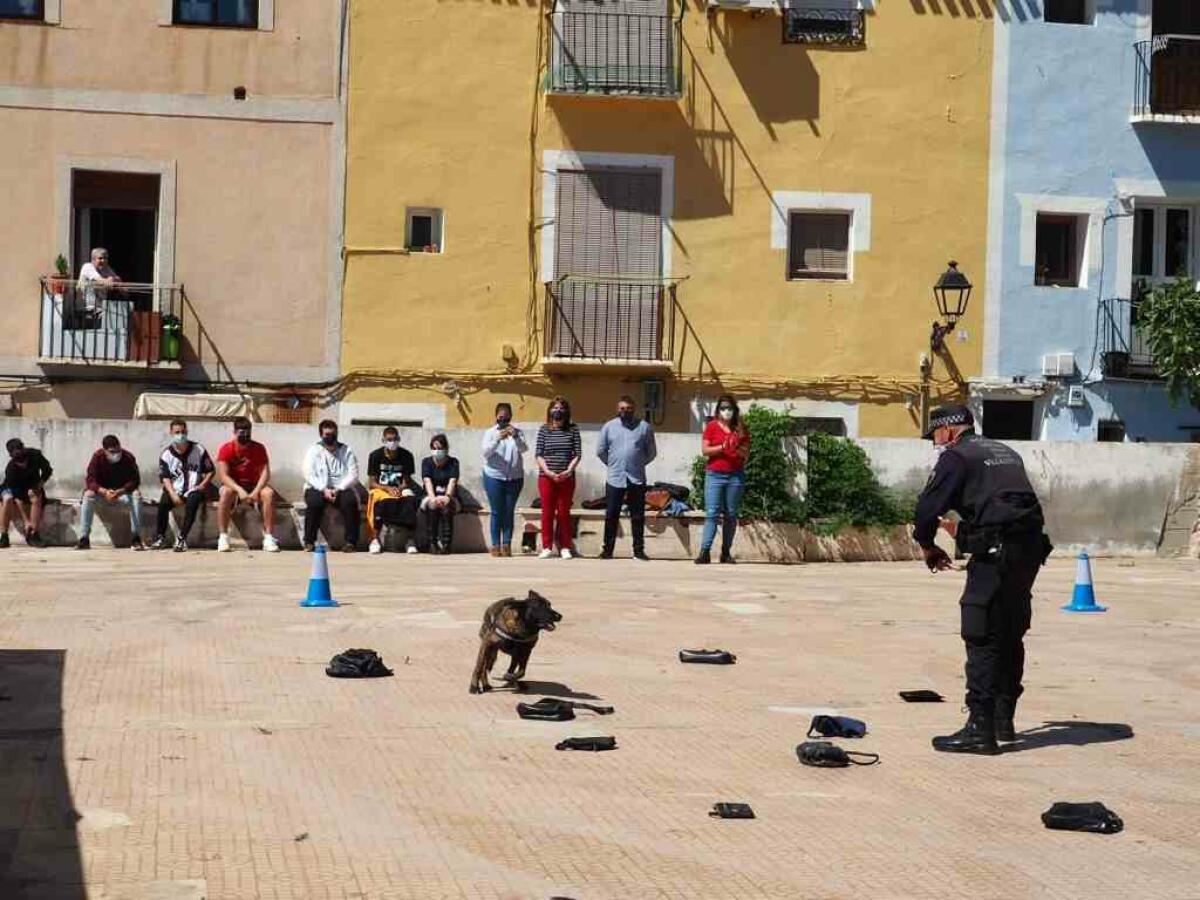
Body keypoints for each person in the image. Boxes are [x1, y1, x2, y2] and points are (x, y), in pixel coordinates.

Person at [913, 404, 1051, 755]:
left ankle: (979, 728)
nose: (936, 444)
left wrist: (928, 544)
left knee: (981, 632)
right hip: (1029, 550)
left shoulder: (957, 457)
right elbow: (1004, 505)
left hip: (996, 553)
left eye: (936, 437)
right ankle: (1004, 720)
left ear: (948, 430)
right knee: (1009, 631)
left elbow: (928, 508)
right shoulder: (1005, 451)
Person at [597, 395, 657, 561]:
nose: (625, 411)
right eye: (622, 409)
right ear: (618, 410)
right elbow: (601, 451)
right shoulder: (609, 427)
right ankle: (607, 551)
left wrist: (638, 463)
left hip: (636, 478)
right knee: (611, 515)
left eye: (629, 409)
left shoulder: (644, 427)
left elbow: (651, 452)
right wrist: (613, 464)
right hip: (615, 477)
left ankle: (638, 551)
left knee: (637, 516)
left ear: (634, 410)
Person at [696, 394, 750, 565]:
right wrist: (722, 447)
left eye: (729, 408)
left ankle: (726, 552)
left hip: (735, 475)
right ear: (718, 410)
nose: (726, 411)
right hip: (715, 475)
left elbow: (746, 454)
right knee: (711, 513)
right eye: (723, 408)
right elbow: (705, 450)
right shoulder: (712, 426)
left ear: (735, 410)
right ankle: (704, 552)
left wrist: (737, 446)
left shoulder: (741, 429)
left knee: (731, 515)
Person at [215, 417, 280, 553]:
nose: (245, 435)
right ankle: (223, 537)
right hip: (233, 485)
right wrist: (239, 490)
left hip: (254, 485)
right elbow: (224, 476)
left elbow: (265, 473)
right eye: (241, 432)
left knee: (269, 494)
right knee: (225, 492)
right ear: (234, 432)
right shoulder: (226, 449)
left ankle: (269, 538)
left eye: (247, 432)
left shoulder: (259, 448)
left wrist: (256, 491)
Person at [151, 420, 215, 552]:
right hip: (175, 489)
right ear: (171, 433)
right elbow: (165, 478)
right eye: (177, 432)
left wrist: (203, 485)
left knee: (192, 502)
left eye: (183, 432)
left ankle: (182, 538)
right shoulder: (166, 454)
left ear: (187, 432)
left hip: (194, 488)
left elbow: (210, 470)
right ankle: (160, 537)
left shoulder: (199, 449)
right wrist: (173, 494)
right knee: (163, 503)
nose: (181, 435)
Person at [302, 420, 362, 552]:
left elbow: (354, 474)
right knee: (314, 503)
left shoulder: (346, 451)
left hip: (341, 487)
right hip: (318, 487)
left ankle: (350, 542)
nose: (330, 437)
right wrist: (324, 490)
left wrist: (339, 489)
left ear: (337, 434)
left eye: (332, 434)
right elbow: (308, 474)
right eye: (326, 434)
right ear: (321, 435)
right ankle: (309, 541)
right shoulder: (314, 450)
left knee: (350, 502)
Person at [535, 395, 582, 559]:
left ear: (566, 411)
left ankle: (565, 547)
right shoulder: (544, 429)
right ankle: (546, 546)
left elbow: (577, 454)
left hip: (566, 477)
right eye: (555, 408)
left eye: (561, 408)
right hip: (546, 477)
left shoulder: (573, 429)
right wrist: (548, 471)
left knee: (564, 512)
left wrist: (568, 471)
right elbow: (539, 454)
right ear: (550, 411)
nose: (558, 411)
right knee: (547, 512)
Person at [77, 435, 143, 550]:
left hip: (122, 494)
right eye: (112, 452)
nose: (116, 454)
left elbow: (135, 480)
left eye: (118, 450)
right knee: (88, 495)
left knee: (137, 495)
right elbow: (90, 480)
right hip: (103, 495)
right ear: (105, 450)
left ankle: (136, 538)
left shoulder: (128, 457)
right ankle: (84, 538)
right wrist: (104, 491)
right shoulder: (98, 457)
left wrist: (120, 491)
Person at [480, 402, 526, 557]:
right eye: (500, 418)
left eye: (506, 418)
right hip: (494, 476)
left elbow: (524, 449)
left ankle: (507, 544)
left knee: (508, 511)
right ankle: (495, 545)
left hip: (514, 477)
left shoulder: (518, 432)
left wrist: (516, 437)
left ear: (511, 417)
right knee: (496, 511)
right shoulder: (490, 433)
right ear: (496, 417)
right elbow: (485, 453)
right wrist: (497, 439)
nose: (503, 421)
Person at [366, 426, 418, 555]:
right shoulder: (375, 456)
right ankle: (374, 539)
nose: (392, 442)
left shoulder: (406, 455)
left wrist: (400, 489)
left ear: (399, 439)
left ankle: (410, 541)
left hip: (400, 488)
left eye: (395, 439)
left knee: (410, 498)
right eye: (389, 439)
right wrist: (387, 489)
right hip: (382, 489)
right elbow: (372, 483)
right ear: (383, 440)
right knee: (376, 500)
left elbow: (407, 481)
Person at [1, 438, 53, 548]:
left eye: (23, 459)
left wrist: (40, 484)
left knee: (36, 496)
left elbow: (47, 470)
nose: (22, 464)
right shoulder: (11, 469)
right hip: (13, 488)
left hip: (32, 484)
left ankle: (33, 534)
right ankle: (4, 536)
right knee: (7, 498)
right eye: (18, 461)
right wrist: (26, 520)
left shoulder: (36, 455)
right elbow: (17, 496)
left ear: (24, 450)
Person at [421, 434, 460, 554]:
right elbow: (427, 480)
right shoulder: (426, 462)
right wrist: (432, 498)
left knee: (446, 507)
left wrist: (447, 496)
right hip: (430, 495)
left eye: (440, 448)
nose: (437, 451)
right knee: (432, 506)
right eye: (434, 448)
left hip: (449, 495)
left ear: (446, 448)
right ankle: (432, 543)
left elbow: (452, 480)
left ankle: (446, 544)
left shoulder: (453, 462)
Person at [78, 247, 121, 318]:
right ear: (93, 259)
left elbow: (118, 280)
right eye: (100, 258)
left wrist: (112, 278)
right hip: (87, 308)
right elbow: (100, 280)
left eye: (106, 258)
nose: (103, 261)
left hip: (101, 308)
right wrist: (108, 280)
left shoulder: (106, 268)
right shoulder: (87, 267)